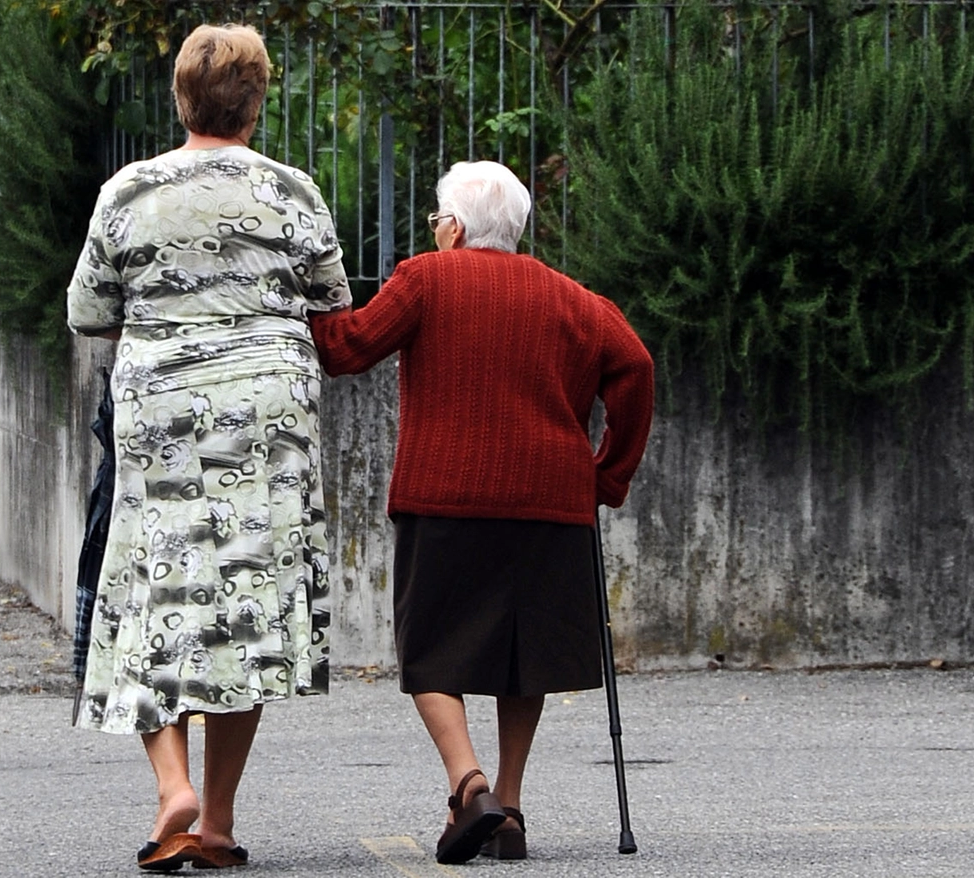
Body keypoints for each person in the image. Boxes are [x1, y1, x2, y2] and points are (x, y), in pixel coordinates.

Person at [66, 23, 351, 872]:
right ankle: (218, 823)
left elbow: (88, 312)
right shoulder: (293, 192)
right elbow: (332, 302)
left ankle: (171, 791)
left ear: (180, 98)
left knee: (150, 586)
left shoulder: (129, 190)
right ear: (257, 102)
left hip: (163, 409)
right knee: (247, 604)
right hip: (269, 410)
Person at [310, 160, 654, 864]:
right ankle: (510, 806)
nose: (435, 229)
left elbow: (345, 350)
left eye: (439, 218)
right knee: (520, 660)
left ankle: (469, 786)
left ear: (457, 226)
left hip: (445, 497)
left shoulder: (427, 280)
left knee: (429, 650)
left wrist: (308, 295)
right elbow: (637, 368)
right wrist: (606, 476)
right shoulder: (574, 300)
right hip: (552, 505)